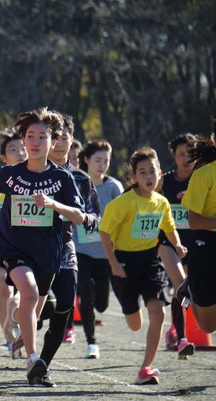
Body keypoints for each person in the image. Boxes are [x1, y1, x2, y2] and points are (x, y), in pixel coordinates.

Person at [0, 108, 85, 385]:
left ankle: (17, 316)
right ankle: (33, 358)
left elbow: (79, 216)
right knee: (29, 290)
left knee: (32, 306)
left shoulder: (62, 178)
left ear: (53, 141)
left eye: (42, 137)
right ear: (23, 140)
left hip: (48, 253)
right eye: (30, 136)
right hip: (13, 248)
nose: (35, 142)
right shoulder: (10, 173)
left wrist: (53, 204)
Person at [100, 147, 186, 385]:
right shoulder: (123, 203)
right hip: (124, 262)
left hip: (150, 260)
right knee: (134, 324)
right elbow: (105, 232)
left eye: (152, 171)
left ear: (159, 173)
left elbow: (169, 227)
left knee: (158, 312)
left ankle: (145, 369)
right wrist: (114, 263)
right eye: (142, 172)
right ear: (134, 177)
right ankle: (131, 311)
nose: (148, 177)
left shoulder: (161, 203)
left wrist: (177, 245)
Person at [36, 113, 100, 387]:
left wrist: (84, 218)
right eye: (56, 138)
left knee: (64, 306)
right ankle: (21, 324)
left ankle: (43, 365)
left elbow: (93, 215)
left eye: (65, 138)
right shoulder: (33, 172)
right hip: (33, 251)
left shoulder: (82, 180)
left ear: (72, 142)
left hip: (66, 250)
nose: (60, 144)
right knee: (42, 305)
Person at [76, 139, 123, 358]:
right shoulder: (76, 183)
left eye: (106, 161)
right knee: (85, 296)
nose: (102, 165)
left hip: (105, 252)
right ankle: (91, 342)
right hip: (80, 249)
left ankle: (98, 307)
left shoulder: (113, 187)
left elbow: (123, 217)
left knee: (102, 303)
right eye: (97, 160)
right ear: (86, 160)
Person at [0, 128, 27, 353]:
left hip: (25, 241)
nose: (20, 152)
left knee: (21, 291)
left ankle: (17, 319)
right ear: (3, 157)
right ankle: (8, 336)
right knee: (2, 285)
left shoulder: (34, 179)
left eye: (23, 148)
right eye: (13, 149)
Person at [155, 133, 197, 358]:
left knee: (183, 291)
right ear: (174, 155)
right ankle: (182, 339)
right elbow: (146, 195)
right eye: (181, 154)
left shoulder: (203, 180)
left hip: (196, 243)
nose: (186, 158)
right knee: (180, 283)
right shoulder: (165, 180)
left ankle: (174, 329)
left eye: (190, 153)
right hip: (168, 242)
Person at [179, 117, 216, 333]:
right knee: (208, 326)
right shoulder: (204, 174)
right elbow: (194, 221)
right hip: (206, 244)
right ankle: (191, 289)